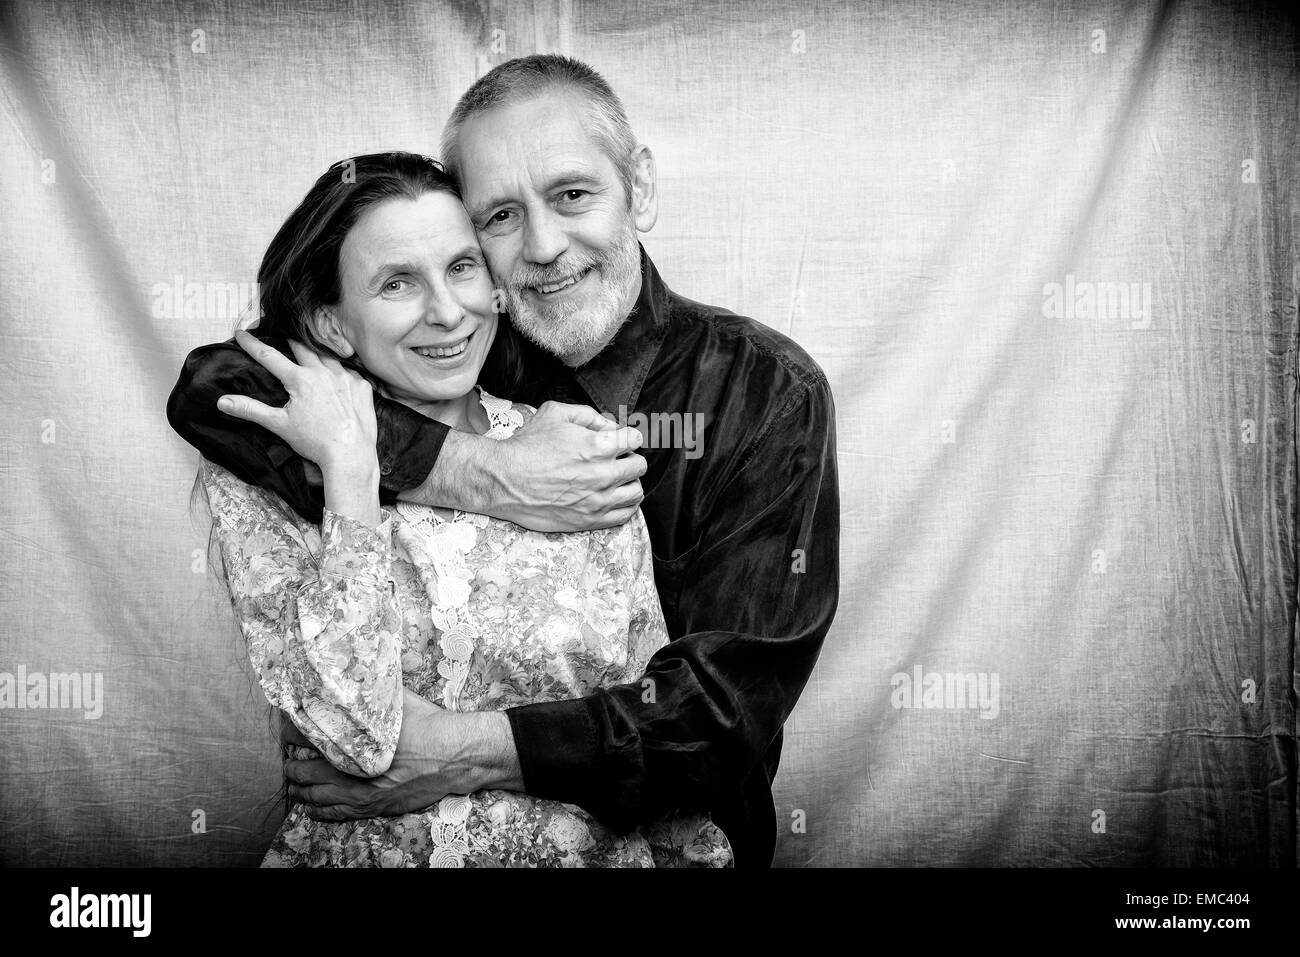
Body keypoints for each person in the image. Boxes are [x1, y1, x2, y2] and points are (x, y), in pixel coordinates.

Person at [168, 54, 840, 868]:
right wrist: (490, 471)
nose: (546, 246)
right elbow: (214, 388)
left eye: (572, 195)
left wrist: (459, 751)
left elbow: (720, 716)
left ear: (641, 189)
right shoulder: (469, 345)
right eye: (499, 217)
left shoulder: (769, 392)